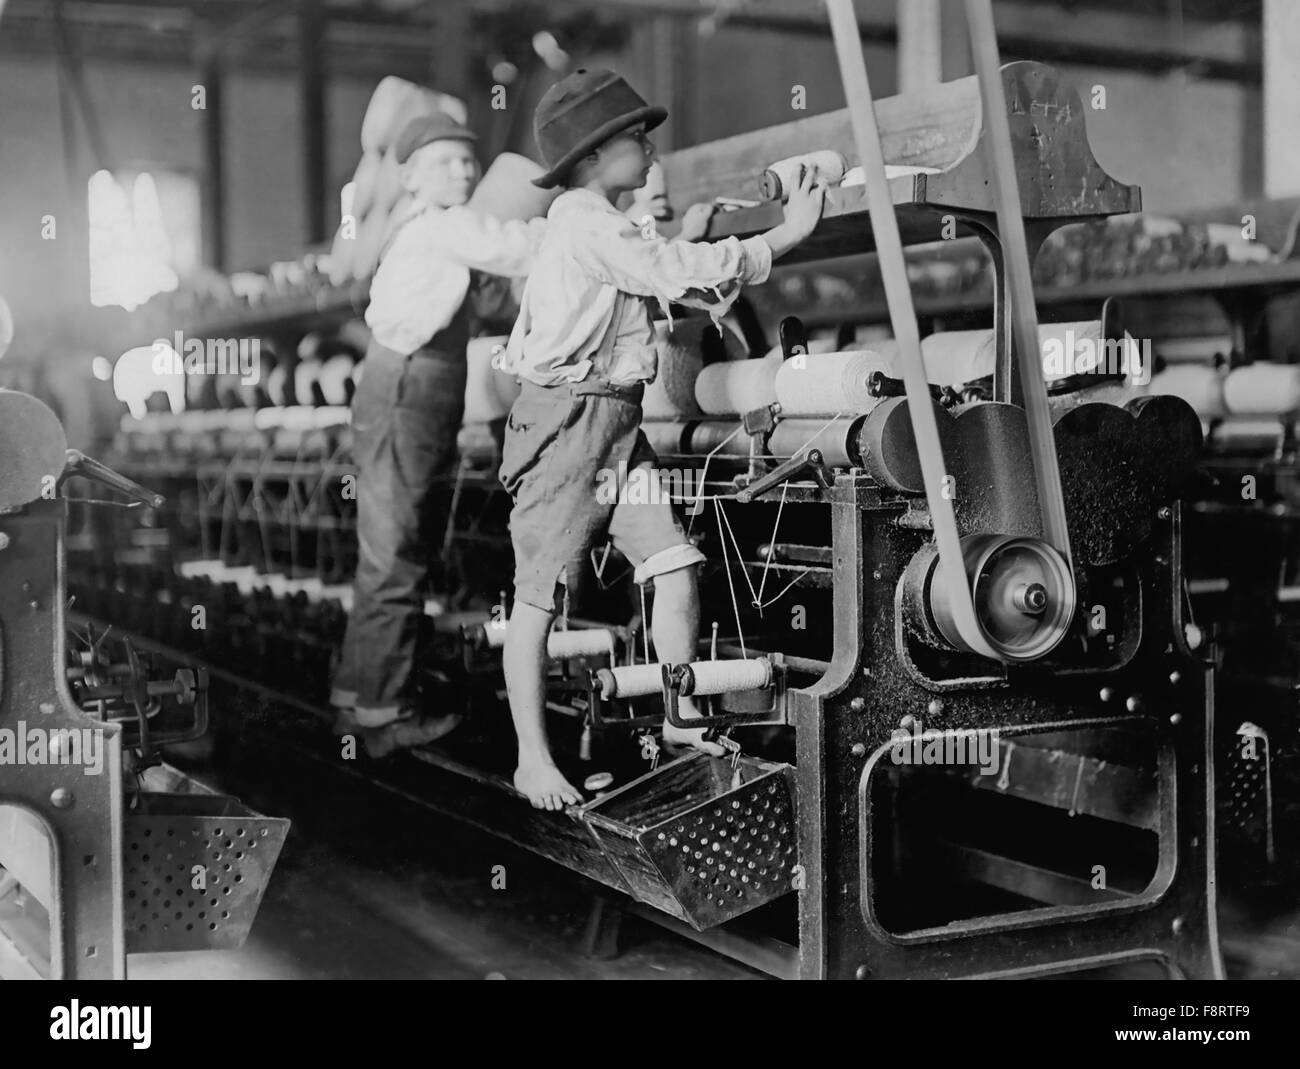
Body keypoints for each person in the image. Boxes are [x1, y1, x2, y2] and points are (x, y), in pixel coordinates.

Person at [498, 68, 826, 808]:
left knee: (674, 564)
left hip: (615, 423)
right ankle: (530, 758)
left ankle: (679, 715)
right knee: (538, 601)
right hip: (566, 426)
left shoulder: (609, 222)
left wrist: (718, 236)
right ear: (589, 157)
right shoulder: (585, 221)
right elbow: (672, 270)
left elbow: (672, 267)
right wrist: (783, 236)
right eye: (635, 139)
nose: (650, 150)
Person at [331, 113, 546, 758]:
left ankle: (359, 697)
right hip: (410, 393)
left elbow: (481, 302)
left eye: (466, 160)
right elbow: (523, 247)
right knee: (396, 556)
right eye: (444, 161)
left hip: (405, 390)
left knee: (391, 554)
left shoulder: (422, 231)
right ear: (409, 176)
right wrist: (592, 222)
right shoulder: (444, 225)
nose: (462, 171)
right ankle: (385, 716)